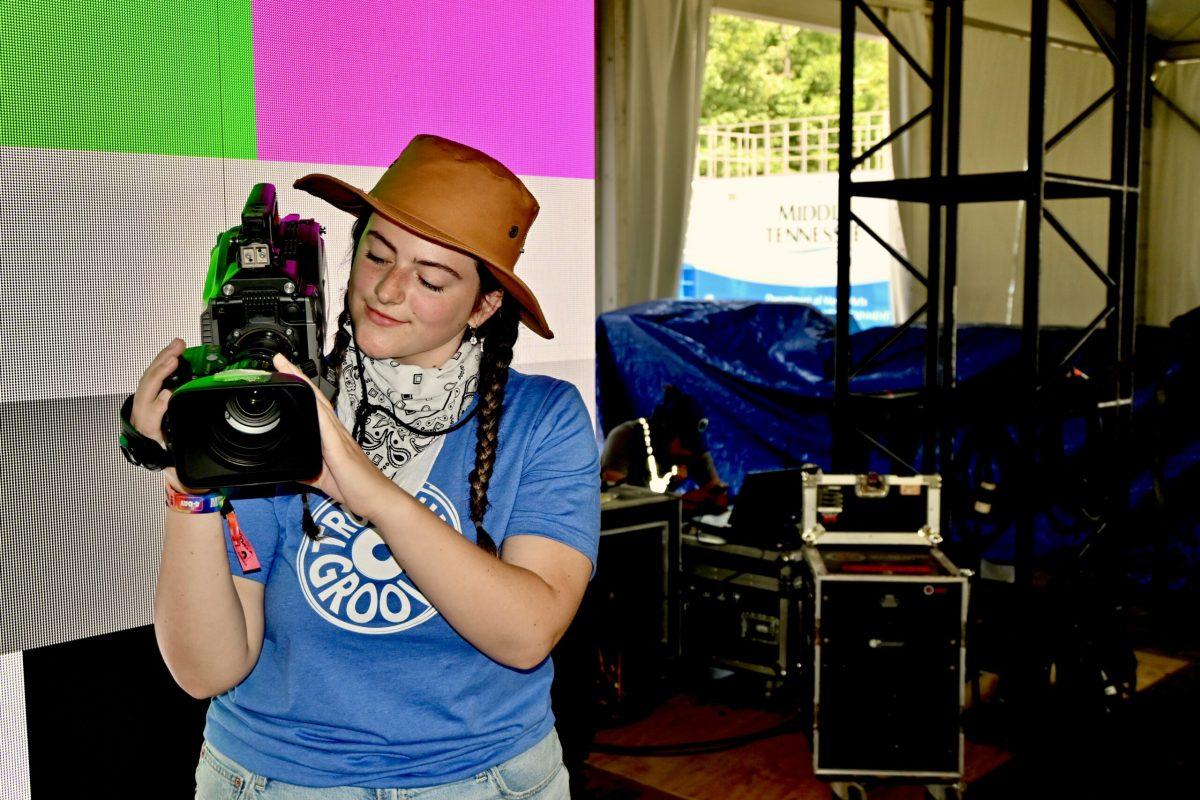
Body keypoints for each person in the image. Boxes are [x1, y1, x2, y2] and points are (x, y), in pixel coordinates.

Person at [129, 134, 599, 797]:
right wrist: (191, 481)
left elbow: (525, 635)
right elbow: (206, 671)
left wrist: (368, 489)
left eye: (433, 279)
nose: (389, 288)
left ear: (485, 305)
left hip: (483, 780)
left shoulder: (543, 419)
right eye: (377, 253)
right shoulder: (277, 401)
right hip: (276, 780)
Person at [600, 384, 729, 516]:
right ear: (666, 433)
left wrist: (716, 497)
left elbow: (717, 494)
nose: (688, 453)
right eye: (684, 444)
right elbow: (614, 500)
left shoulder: (694, 449)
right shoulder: (625, 436)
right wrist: (679, 503)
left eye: (693, 444)